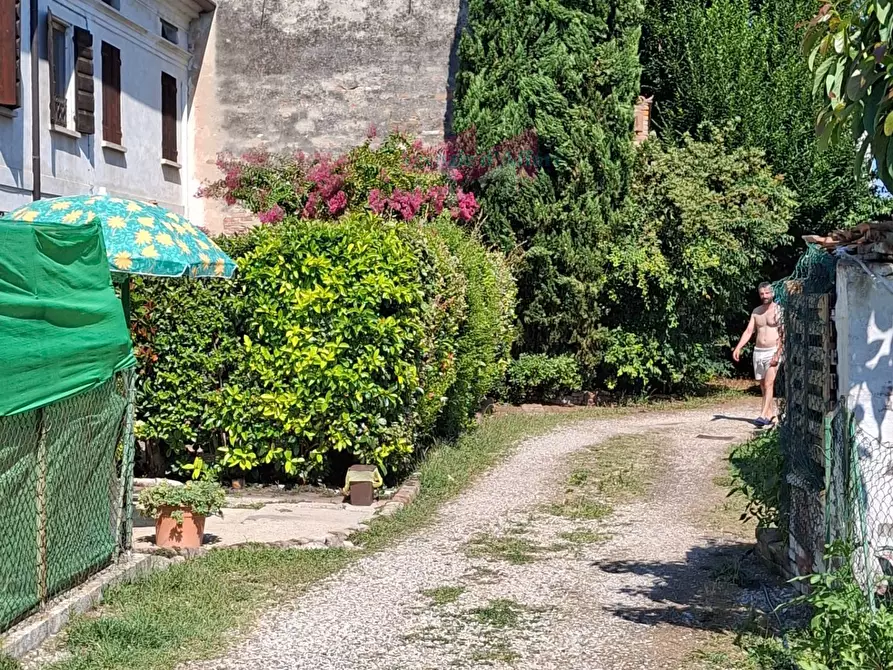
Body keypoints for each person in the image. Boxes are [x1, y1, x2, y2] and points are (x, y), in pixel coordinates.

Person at [733, 282, 782, 426]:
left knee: (769, 383)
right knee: (763, 385)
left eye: (767, 293)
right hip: (759, 351)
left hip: (773, 350)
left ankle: (762, 415)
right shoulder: (756, 311)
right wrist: (738, 347)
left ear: (772, 293)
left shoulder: (779, 311)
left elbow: (783, 334)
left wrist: (778, 353)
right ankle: (770, 414)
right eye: (762, 293)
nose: (765, 296)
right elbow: (749, 331)